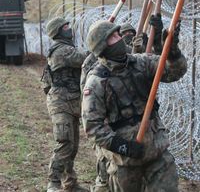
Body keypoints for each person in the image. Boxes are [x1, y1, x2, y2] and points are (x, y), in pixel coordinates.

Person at [81, 19, 187, 192]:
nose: (120, 38)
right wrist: (124, 147)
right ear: (102, 47)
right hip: (125, 161)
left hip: (157, 152)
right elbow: (93, 127)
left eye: (118, 34)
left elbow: (174, 72)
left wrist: (172, 51)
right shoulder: (97, 82)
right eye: (113, 37)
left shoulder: (141, 62)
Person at [43, 17, 89, 192]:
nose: (70, 29)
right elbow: (84, 59)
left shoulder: (67, 48)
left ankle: (70, 183)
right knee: (64, 142)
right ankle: (53, 183)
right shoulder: (62, 51)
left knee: (73, 145)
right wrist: (98, 42)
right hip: (61, 102)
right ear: (58, 31)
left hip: (72, 101)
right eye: (66, 27)